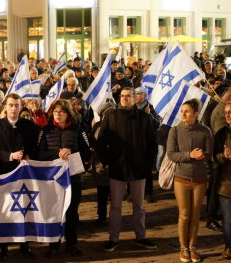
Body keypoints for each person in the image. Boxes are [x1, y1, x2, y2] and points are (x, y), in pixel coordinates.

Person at [97, 87, 157, 252]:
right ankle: (113, 239)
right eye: (122, 96)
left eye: (128, 96)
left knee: (139, 205)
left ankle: (141, 237)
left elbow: (152, 144)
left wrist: (147, 164)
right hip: (118, 168)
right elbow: (101, 142)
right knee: (115, 206)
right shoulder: (111, 116)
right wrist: (108, 161)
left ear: (134, 97)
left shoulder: (145, 118)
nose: (124, 98)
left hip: (139, 168)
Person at [0, 93, 38, 259]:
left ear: (21, 107)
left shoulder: (29, 126)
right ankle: (3, 247)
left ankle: (24, 245)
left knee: (24, 209)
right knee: (5, 210)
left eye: (17, 105)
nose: (14, 108)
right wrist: (10, 155)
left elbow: (35, 147)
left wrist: (29, 155)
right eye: (11, 105)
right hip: (5, 173)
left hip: (24, 175)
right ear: (5, 107)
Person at [39, 99, 90, 257]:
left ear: (68, 113)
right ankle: (53, 245)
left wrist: (72, 154)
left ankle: (72, 244)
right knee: (54, 212)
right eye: (55, 112)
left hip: (73, 178)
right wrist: (57, 154)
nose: (58, 115)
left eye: (61, 112)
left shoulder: (77, 129)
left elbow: (87, 153)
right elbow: (39, 154)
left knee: (72, 212)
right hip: (52, 180)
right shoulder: (45, 130)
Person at [167, 99, 213, 263]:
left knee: (195, 215)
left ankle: (192, 246)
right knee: (184, 214)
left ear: (195, 114)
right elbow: (171, 154)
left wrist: (203, 155)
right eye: (182, 111)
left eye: (187, 111)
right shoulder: (175, 130)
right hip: (182, 178)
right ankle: (183, 247)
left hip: (200, 179)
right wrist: (189, 155)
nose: (183, 114)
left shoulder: (205, 130)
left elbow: (209, 153)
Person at [213, 102, 231, 259]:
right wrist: (223, 156)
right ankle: (228, 246)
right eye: (226, 112)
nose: (228, 115)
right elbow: (214, 159)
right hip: (226, 184)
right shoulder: (221, 134)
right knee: (228, 220)